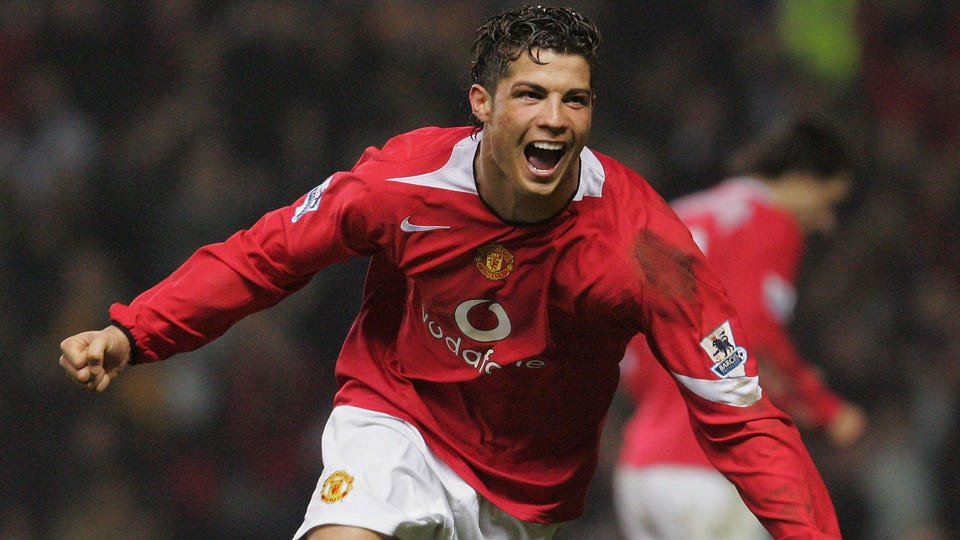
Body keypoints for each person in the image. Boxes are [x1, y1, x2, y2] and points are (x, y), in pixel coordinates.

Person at [59, 6, 842, 539]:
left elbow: (740, 415)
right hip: (398, 418)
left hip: (527, 495)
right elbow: (267, 255)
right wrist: (136, 330)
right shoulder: (397, 185)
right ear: (482, 103)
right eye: (530, 94)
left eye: (574, 100)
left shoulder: (643, 246)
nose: (553, 118)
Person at [613, 118, 868, 540]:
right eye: (828, 202)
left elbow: (630, 349)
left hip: (643, 469)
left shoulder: (686, 211)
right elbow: (753, 332)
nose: (826, 221)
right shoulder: (770, 221)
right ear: (804, 180)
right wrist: (823, 407)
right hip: (709, 473)